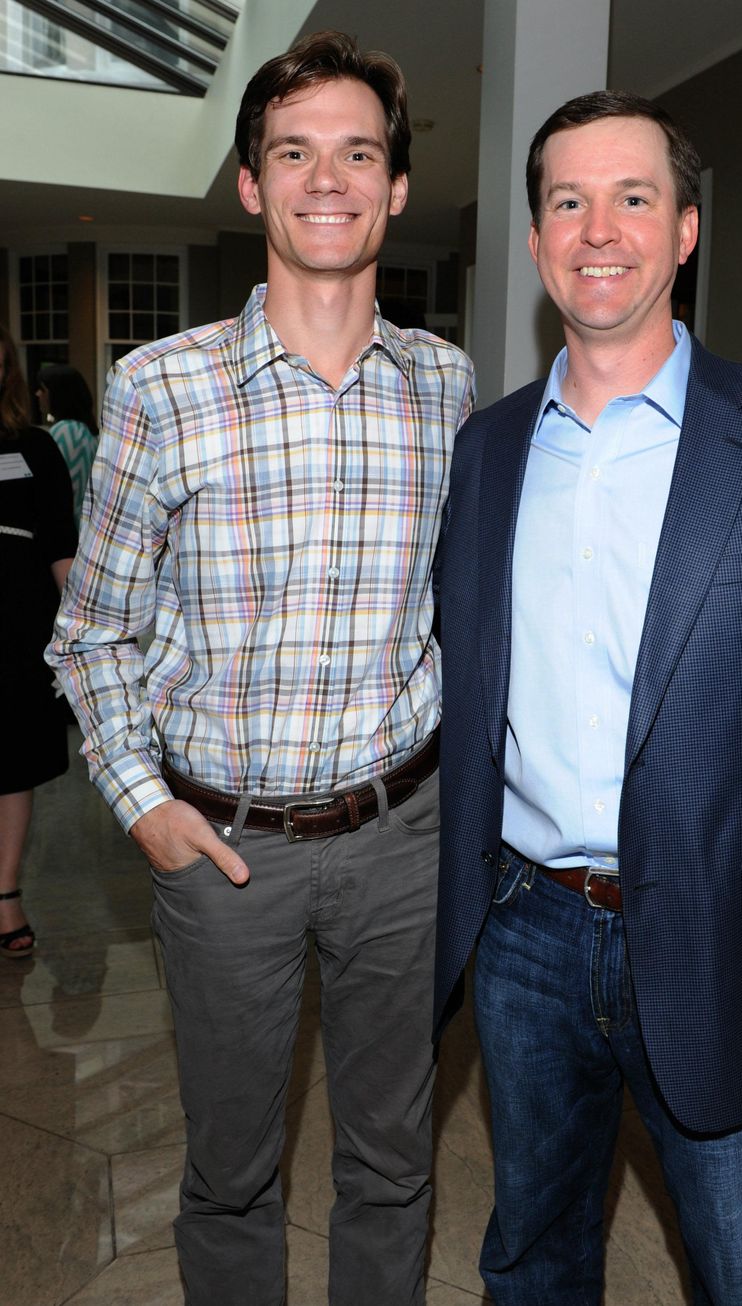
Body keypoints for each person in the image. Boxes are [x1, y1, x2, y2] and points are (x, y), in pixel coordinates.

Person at [433, 91, 742, 1305]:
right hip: (523, 931)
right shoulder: (484, 450)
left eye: (632, 197)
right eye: (567, 201)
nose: (600, 228)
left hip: (727, 942)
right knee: (530, 1254)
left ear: (685, 228)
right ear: (537, 240)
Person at [48, 30, 473, 1306]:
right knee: (231, 1168)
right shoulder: (159, 390)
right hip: (222, 848)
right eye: (294, 153)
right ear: (250, 183)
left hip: (404, 835)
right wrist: (144, 806)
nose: (326, 178)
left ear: (395, 185)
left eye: (358, 152)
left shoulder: (447, 390)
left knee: (393, 1160)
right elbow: (93, 634)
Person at [0, 325, 76, 958]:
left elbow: (59, 544)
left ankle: (5, 897)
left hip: (18, 625)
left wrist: (87, 631)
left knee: (11, 764)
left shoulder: (35, 447)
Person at [35, 364, 99, 528]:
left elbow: (53, 489)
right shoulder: (85, 430)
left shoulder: (67, 431)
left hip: (69, 528)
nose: (38, 394)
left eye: (42, 389)